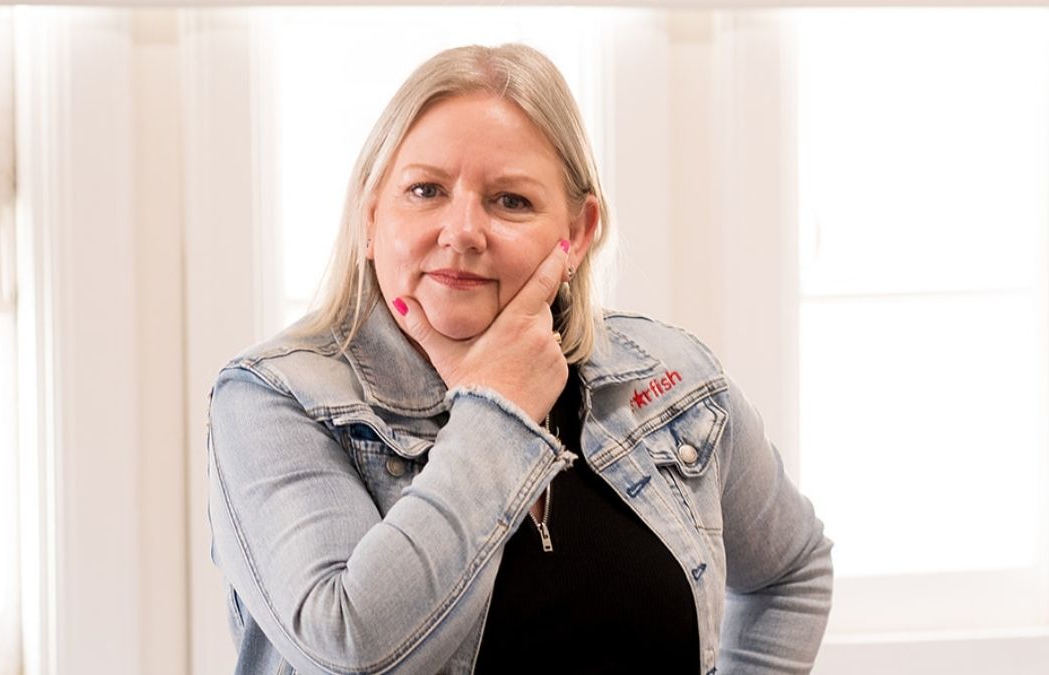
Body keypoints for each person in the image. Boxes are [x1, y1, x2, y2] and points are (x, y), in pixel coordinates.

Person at [207, 43, 833, 675]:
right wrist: (497, 412)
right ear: (371, 219)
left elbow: (793, 569)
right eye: (425, 190)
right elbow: (348, 649)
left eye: (510, 201)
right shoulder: (274, 399)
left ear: (580, 231)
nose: (462, 232)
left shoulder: (672, 377)